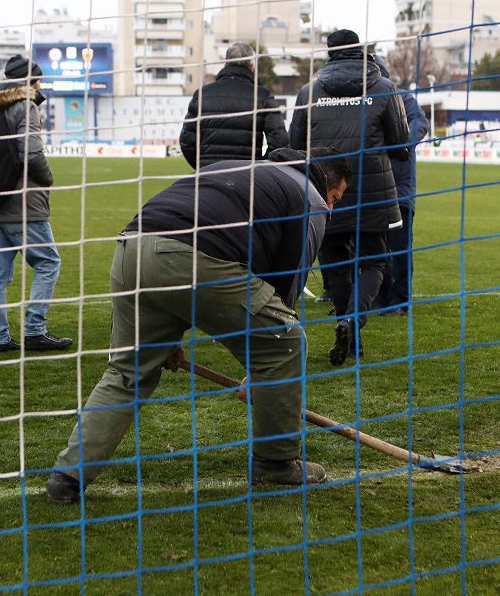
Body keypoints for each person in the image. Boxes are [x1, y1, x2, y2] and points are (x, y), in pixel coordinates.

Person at [46, 149, 350, 503]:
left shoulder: (242, 168)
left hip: (132, 249)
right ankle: (276, 462)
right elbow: (283, 296)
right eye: (336, 199)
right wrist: (265, 370)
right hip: (189, 259)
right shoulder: (309, 197)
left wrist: (162, 338)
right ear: (325, 185)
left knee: (127, 373)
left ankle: (67, 476)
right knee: (285, 343)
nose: (332, 209)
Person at [288, 29, 409, 367]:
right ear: (362, 51)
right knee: (373, 262)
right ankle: (351, 322)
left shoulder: (308, 92)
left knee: (336, 266)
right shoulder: (385, 88)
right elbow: (401, 143)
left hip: (325, 191)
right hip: (373, 194)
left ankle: (349, 331)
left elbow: (295, 146)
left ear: (329, 53)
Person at [0, 54, 73, 352]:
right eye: (38, 80)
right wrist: (48, 177)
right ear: (31, 82)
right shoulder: (25, 106)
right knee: (49, 263)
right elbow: (30, 154)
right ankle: (34, 330)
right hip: (23, 204)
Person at [370, 56, 431, 316]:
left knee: (400, 248)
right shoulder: (368, 101)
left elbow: (420, 123)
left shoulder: (403, 98)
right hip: (374, 188)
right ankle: (380, 297)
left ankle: (400, 300)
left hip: (400, 190)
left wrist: (400, 144)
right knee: (376, 248)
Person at [179, 42, 288, 168]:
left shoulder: (202, 94)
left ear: (225, 63)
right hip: (246, 177)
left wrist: (203, 166)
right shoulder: (262, 96)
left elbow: (187, 141)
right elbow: (280, 142)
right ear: (252, 67)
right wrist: (260, 166)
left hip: (209, 176)